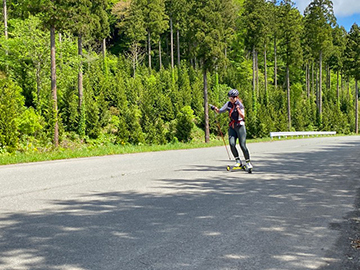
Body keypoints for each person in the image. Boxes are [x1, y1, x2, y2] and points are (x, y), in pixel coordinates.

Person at [212, 89, 253, 170]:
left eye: (233, 97)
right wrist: (215, 109)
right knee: (232, 144)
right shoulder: (228, 104)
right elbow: (220, 111)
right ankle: (238, 161)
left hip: (240, 126)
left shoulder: (240, 105)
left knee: (242, 145)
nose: (231, 99)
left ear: (236, 97)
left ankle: (248, 162)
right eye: (230, 97)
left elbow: (243, 116)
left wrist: (238, 109)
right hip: (232, 127)